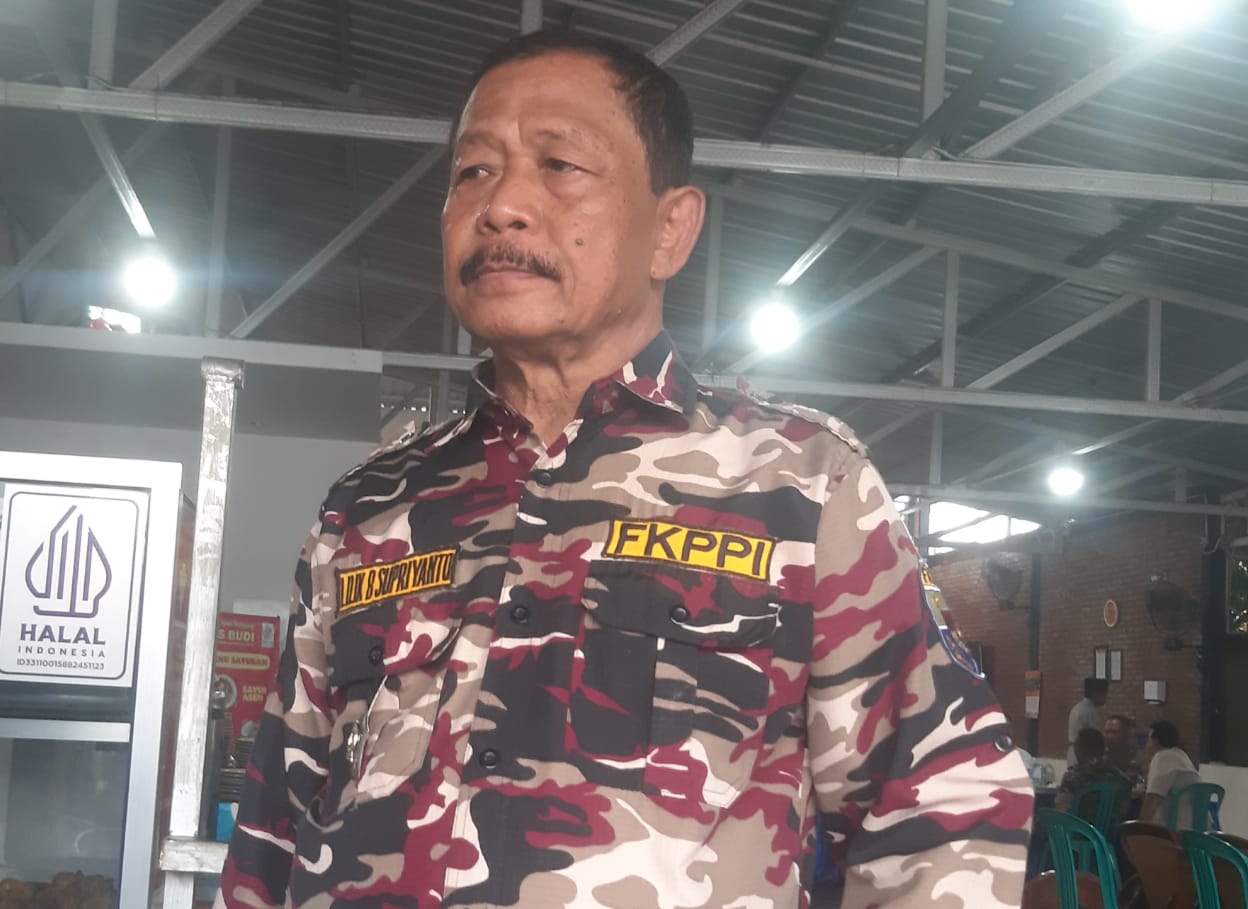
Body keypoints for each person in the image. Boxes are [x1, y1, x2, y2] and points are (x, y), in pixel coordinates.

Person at [217, 29, 1032, 909]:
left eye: (560, 165)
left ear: (670, 229)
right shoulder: (370, 505)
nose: (502, 205)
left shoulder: (800, 485)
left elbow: (944, 806)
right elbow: (273, 826)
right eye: (474, 171)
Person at [1054, 728, 1132, 816]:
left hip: (1078, 824)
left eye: (1075, 747)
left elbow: (1061, 812)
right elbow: (1123, 811)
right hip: (1110, 825)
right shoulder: (1120, 778)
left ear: (1080, 750)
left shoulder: (1072, 778)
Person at [1140, 720, 1200, 827]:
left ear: (1155, 741)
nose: (1146, 745)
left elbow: (1153, 798)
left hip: (1176, 827)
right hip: (1197, 826)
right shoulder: (1182, 756)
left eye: (1148, 739)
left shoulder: (1163, 757)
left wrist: (1138, 828)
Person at [1067, 677, 1109, 767]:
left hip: (1073, 754)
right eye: (1104, 694)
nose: (1106, 698)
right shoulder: (1091, 711)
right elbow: (1096, 738)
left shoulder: (1077, 707)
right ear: (1095, 694)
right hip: (1085, 756)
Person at [1103, 713, 1141, 783]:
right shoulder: (1102, 756)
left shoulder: (1135, 756)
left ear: (1125, 734)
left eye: (1114, 732)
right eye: (1107, 732)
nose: (1110, 737)